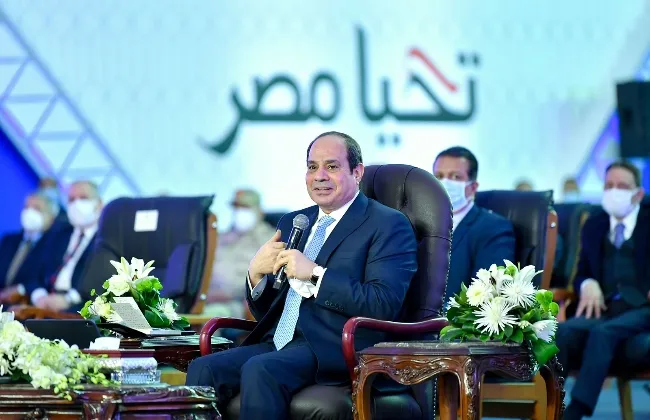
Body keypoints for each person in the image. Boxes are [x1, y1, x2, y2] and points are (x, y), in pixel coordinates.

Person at [186, 131, 418, 419]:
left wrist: (316, 275)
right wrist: (256, 275)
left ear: (357, 172)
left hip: (335, 345)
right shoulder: (295, 222)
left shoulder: (388, 224)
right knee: (203, 367)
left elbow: (382, 302)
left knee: (261, 369)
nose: (319, 176)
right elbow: (267, 311)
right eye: (312, 167)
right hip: (278, 341)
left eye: (331, 166)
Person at [556, 161, 650, 419]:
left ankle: (576, 410)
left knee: (603, 333)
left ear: (638, 193)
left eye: (622, 186)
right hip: (604, 308)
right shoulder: (594, 224)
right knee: (563, 331)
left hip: (643, 308)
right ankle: (549, 403)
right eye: (609, 186)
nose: (614, 191)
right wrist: (587, 283)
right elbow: (581, 273)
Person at [433, 146, 515, 296]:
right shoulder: (417, 223)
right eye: (438, 176)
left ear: (473, 187)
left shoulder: (493, 228)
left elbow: (489, 293)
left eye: (455, 177)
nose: (444, 183)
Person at [25, 180, 103, 312]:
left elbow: (102, 281)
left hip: (78, 306)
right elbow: (35, 272)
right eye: (71, 199)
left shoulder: (106, 239)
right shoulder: (59, 233)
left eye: (83, 198)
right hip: (44, 303)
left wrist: (68, 299)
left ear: (99, 204)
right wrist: (39, 296)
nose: (77, 204)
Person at [204, 189, 276, 319]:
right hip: (205, 300)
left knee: (206, 317)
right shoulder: (220, 238)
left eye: (245, 207)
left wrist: (229, 295)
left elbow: (268, 283)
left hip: (239, 304)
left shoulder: (271, 241)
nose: (240, 212)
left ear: (259, 211)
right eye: (236, 207)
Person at [0, 192, 60, 302]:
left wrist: (21, 289)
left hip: (25, 304)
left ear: (51, 217)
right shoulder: (8, 240)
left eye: (37, 208)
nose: (30, 212)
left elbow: (45, 280)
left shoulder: (55, 245)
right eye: (27, 207)